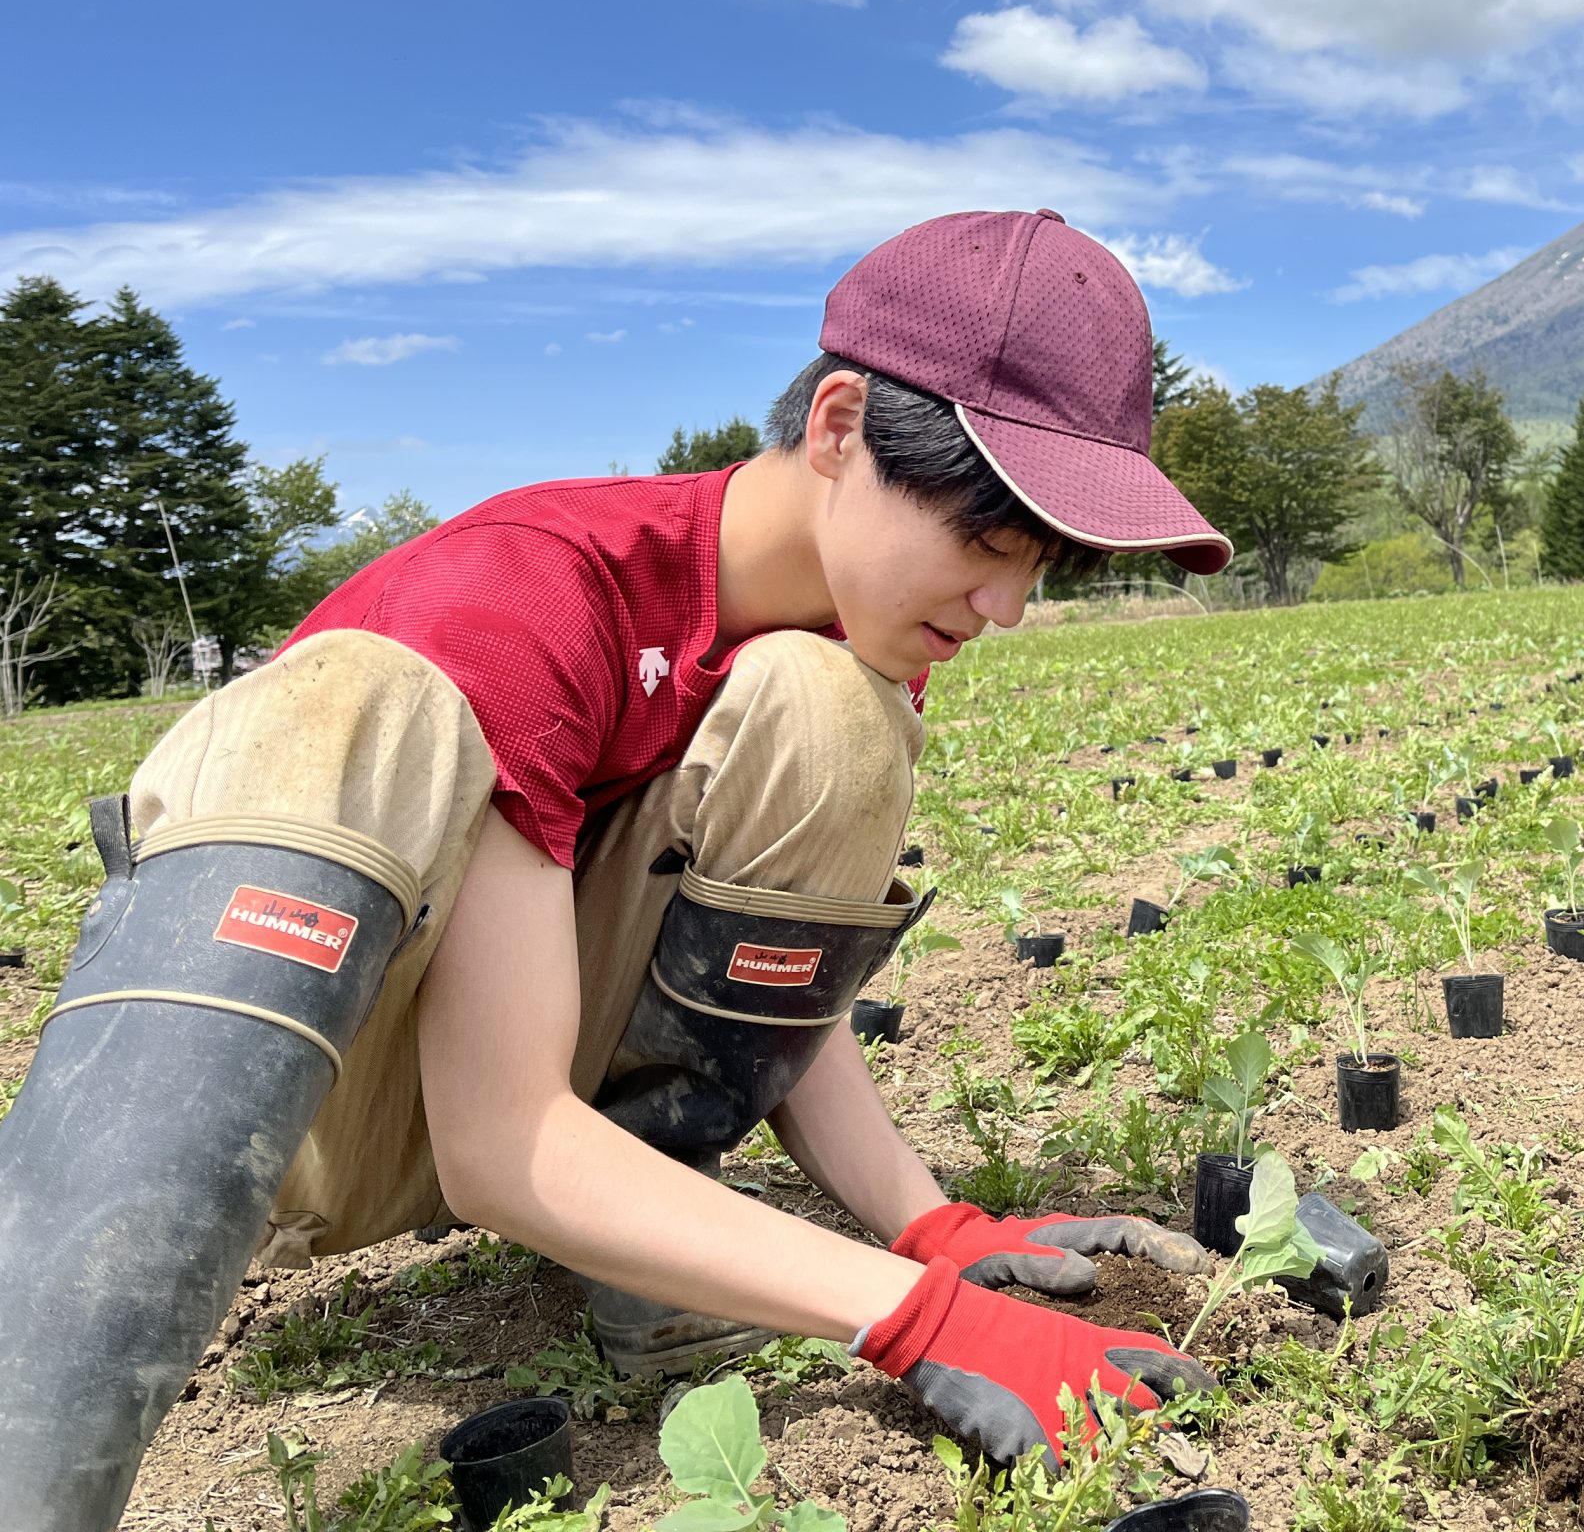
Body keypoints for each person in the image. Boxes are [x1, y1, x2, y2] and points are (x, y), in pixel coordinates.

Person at [0, 210, 1236, 1532]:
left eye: (1037, 562)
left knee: (832, 709)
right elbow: (497, 1142)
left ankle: (661, 1267)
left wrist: (931, 1228)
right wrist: (906, 1314)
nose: (1005, 608)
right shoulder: (532, 593)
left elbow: (765, 984)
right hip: (317, 1112)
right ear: (838, 430)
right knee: (362, 698)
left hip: (541, 1069)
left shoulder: (843, 637)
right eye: (988, 542)